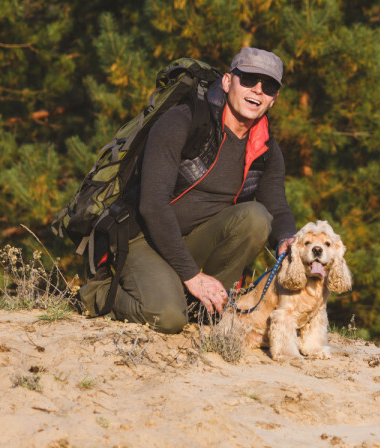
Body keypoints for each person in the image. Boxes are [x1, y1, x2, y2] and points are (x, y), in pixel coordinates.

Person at [79, 47, 296, 333]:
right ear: (227, 82)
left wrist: (288, 240)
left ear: (273, 99)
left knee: (257, 218)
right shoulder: (182, 120)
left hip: (194, 241)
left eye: (268, 86)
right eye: (248, 80)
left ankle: (207, 309)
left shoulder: (265, 146)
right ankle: (95, 293)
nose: (257, 90)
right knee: (168, 318)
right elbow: (152, 205)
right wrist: (192, 276)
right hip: (142, 237)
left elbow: (276, 205)